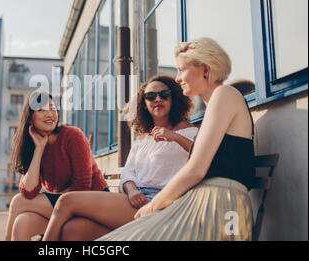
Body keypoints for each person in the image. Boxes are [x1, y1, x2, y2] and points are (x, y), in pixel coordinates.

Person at [98, 37, 255, 241]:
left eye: (182, 69)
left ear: (205, 69)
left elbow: (196, 170)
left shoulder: (224, 94)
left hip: (221, 205)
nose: (178, 78)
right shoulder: (216, 104)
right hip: (204, 201)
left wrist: (152, 206)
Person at [41, 75, 198, 241]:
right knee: (73, 230)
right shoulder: (143, 139)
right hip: (133, 199)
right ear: (144, 105)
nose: (157, 99)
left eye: (164, 94)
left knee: (66, 201)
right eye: (151, 96)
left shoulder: (187, 131)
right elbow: (129, 172)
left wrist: (174, 137)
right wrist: (132, 190)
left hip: (161, 203)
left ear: (173, 97)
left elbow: (203, 157)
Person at [4, 91, 108, 241]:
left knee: (17, 202)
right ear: (30, 118)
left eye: (52, 108)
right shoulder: (33, 146)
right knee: (22, 223)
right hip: (63, 206)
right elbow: (29, 192)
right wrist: (39, 149)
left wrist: (60, 194)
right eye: (41, 110)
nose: (49, 114)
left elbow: (82, 186)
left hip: (93, 203)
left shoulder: (72, 136)